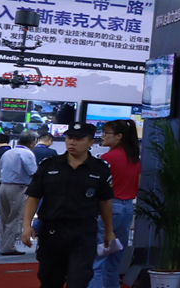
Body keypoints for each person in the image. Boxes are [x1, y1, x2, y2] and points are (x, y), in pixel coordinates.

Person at [20, 122, 116, 288]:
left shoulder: (99, 168)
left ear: (90, 142)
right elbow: (33, 197)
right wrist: (27, 225)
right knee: (50, 281)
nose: (72, 142)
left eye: (78, 139)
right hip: (52, 231)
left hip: (83, 232)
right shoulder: (49, 165)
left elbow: (105, 202)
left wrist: (109, 231)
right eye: (69, 138)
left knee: (79, 279)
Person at [90, 120, 140, 288]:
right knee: (113, 262)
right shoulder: (134, 158)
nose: (102, 136)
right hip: (127, 209)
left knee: (96, 260)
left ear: (119, 136)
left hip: (108, 208)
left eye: (106, 133)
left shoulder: (107, 159)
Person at [0, 132, 40, 255]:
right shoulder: (27, 153)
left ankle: (3, 245)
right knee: (15, 218)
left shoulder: (8, 152)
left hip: (3, 186)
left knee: (4, 218)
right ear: (32, 143)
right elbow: (33, 173)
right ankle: (8, 247)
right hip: (18, 188)